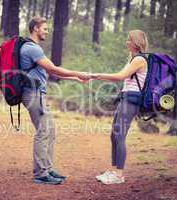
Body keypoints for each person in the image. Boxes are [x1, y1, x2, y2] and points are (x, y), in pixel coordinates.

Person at [20, 16, 91, 185]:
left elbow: (51, 72)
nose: (47, 31)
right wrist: (78, 73)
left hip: (37, 94)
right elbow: (53, 68)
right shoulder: (32, 49)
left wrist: (75, 79)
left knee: (50, 130)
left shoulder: (32, 48)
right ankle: (40, 174)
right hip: (34, 94)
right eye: (44, 28)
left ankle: (48, 168)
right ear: (35, 28)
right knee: (43, 132)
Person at [92, 30, 149, 184]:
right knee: (114, 135)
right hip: (125, 97)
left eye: (129, 39)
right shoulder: (132, 59)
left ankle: (118, 175)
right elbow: (122, 76)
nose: (126, 42)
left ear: (136, 42)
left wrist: (96, 75)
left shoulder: (139, 60)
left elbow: (119, 76)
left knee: (120, 135)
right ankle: (113, 171)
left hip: (131, 99)